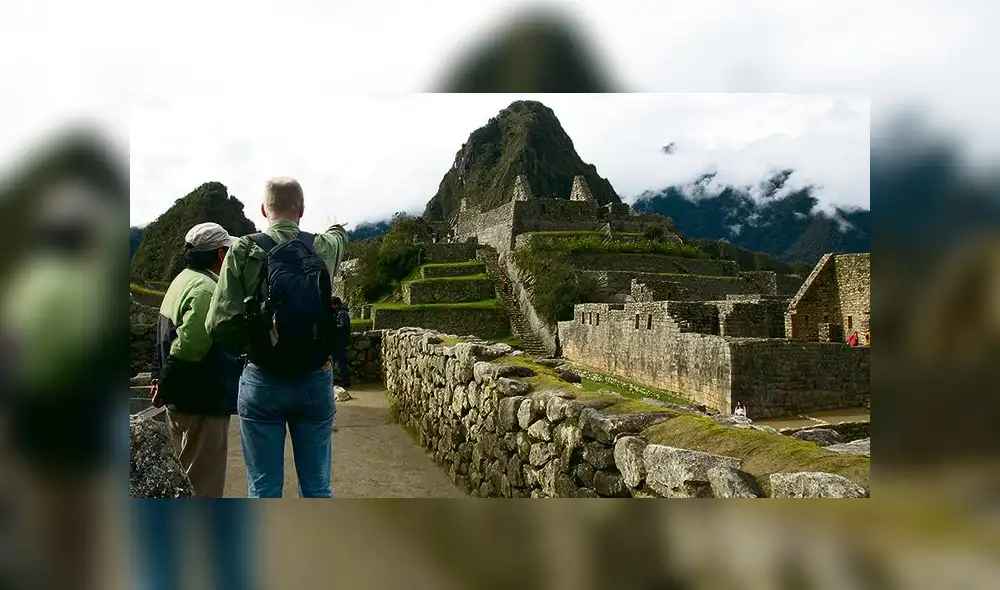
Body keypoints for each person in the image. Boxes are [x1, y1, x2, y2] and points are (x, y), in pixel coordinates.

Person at [206, 177, 347, 498]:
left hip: (263, 379)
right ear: (302, 210)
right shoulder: (323, 246)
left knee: (265, 488)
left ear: (262, 209)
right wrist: (335, 225)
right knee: (317, 487)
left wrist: (257, 340)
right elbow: (339, 235)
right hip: (315, 377)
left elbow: (218, 324)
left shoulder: (243, 248)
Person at [152, 222, 241, 498]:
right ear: (220, 255)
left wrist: (162, 381)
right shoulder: (207, 290)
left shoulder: (181, 281)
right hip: (202, 401)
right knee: (204, 483)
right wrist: (165, 384)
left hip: (181, 400)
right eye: (227, 250)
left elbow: (164, 338)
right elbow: (189, 347)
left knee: (184, 475)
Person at [330, 296, 351, 389]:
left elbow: (343, 326)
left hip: (339, 343)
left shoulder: (342, 314)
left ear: (336, 305)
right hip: (338, 342)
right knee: (338, 363)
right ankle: (345, 381)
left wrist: (333, 326)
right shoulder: (340, 313)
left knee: (337, 363)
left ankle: (345, 381)